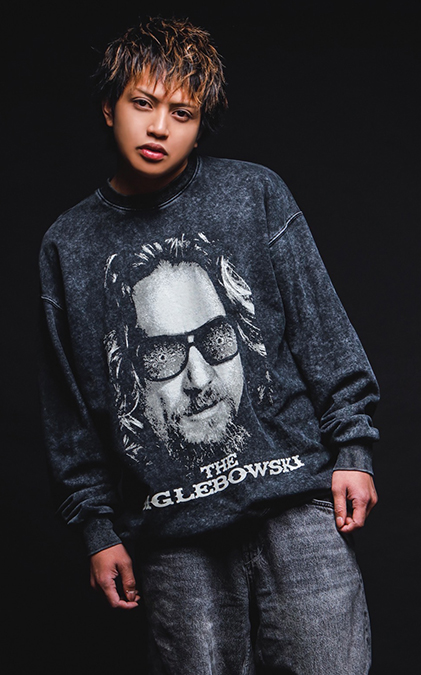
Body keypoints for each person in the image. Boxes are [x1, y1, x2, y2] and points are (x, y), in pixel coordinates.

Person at [39, 16, 379, 674]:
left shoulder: (253, 193)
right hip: (173, 536)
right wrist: (96, 527)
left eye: (182, 112)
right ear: (109, 107)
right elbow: (69, 402)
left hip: (297, 506)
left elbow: (321, 326)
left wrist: (355, 448)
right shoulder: (68, 245)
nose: (159, 128)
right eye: (143, 103)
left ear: (200, 125)